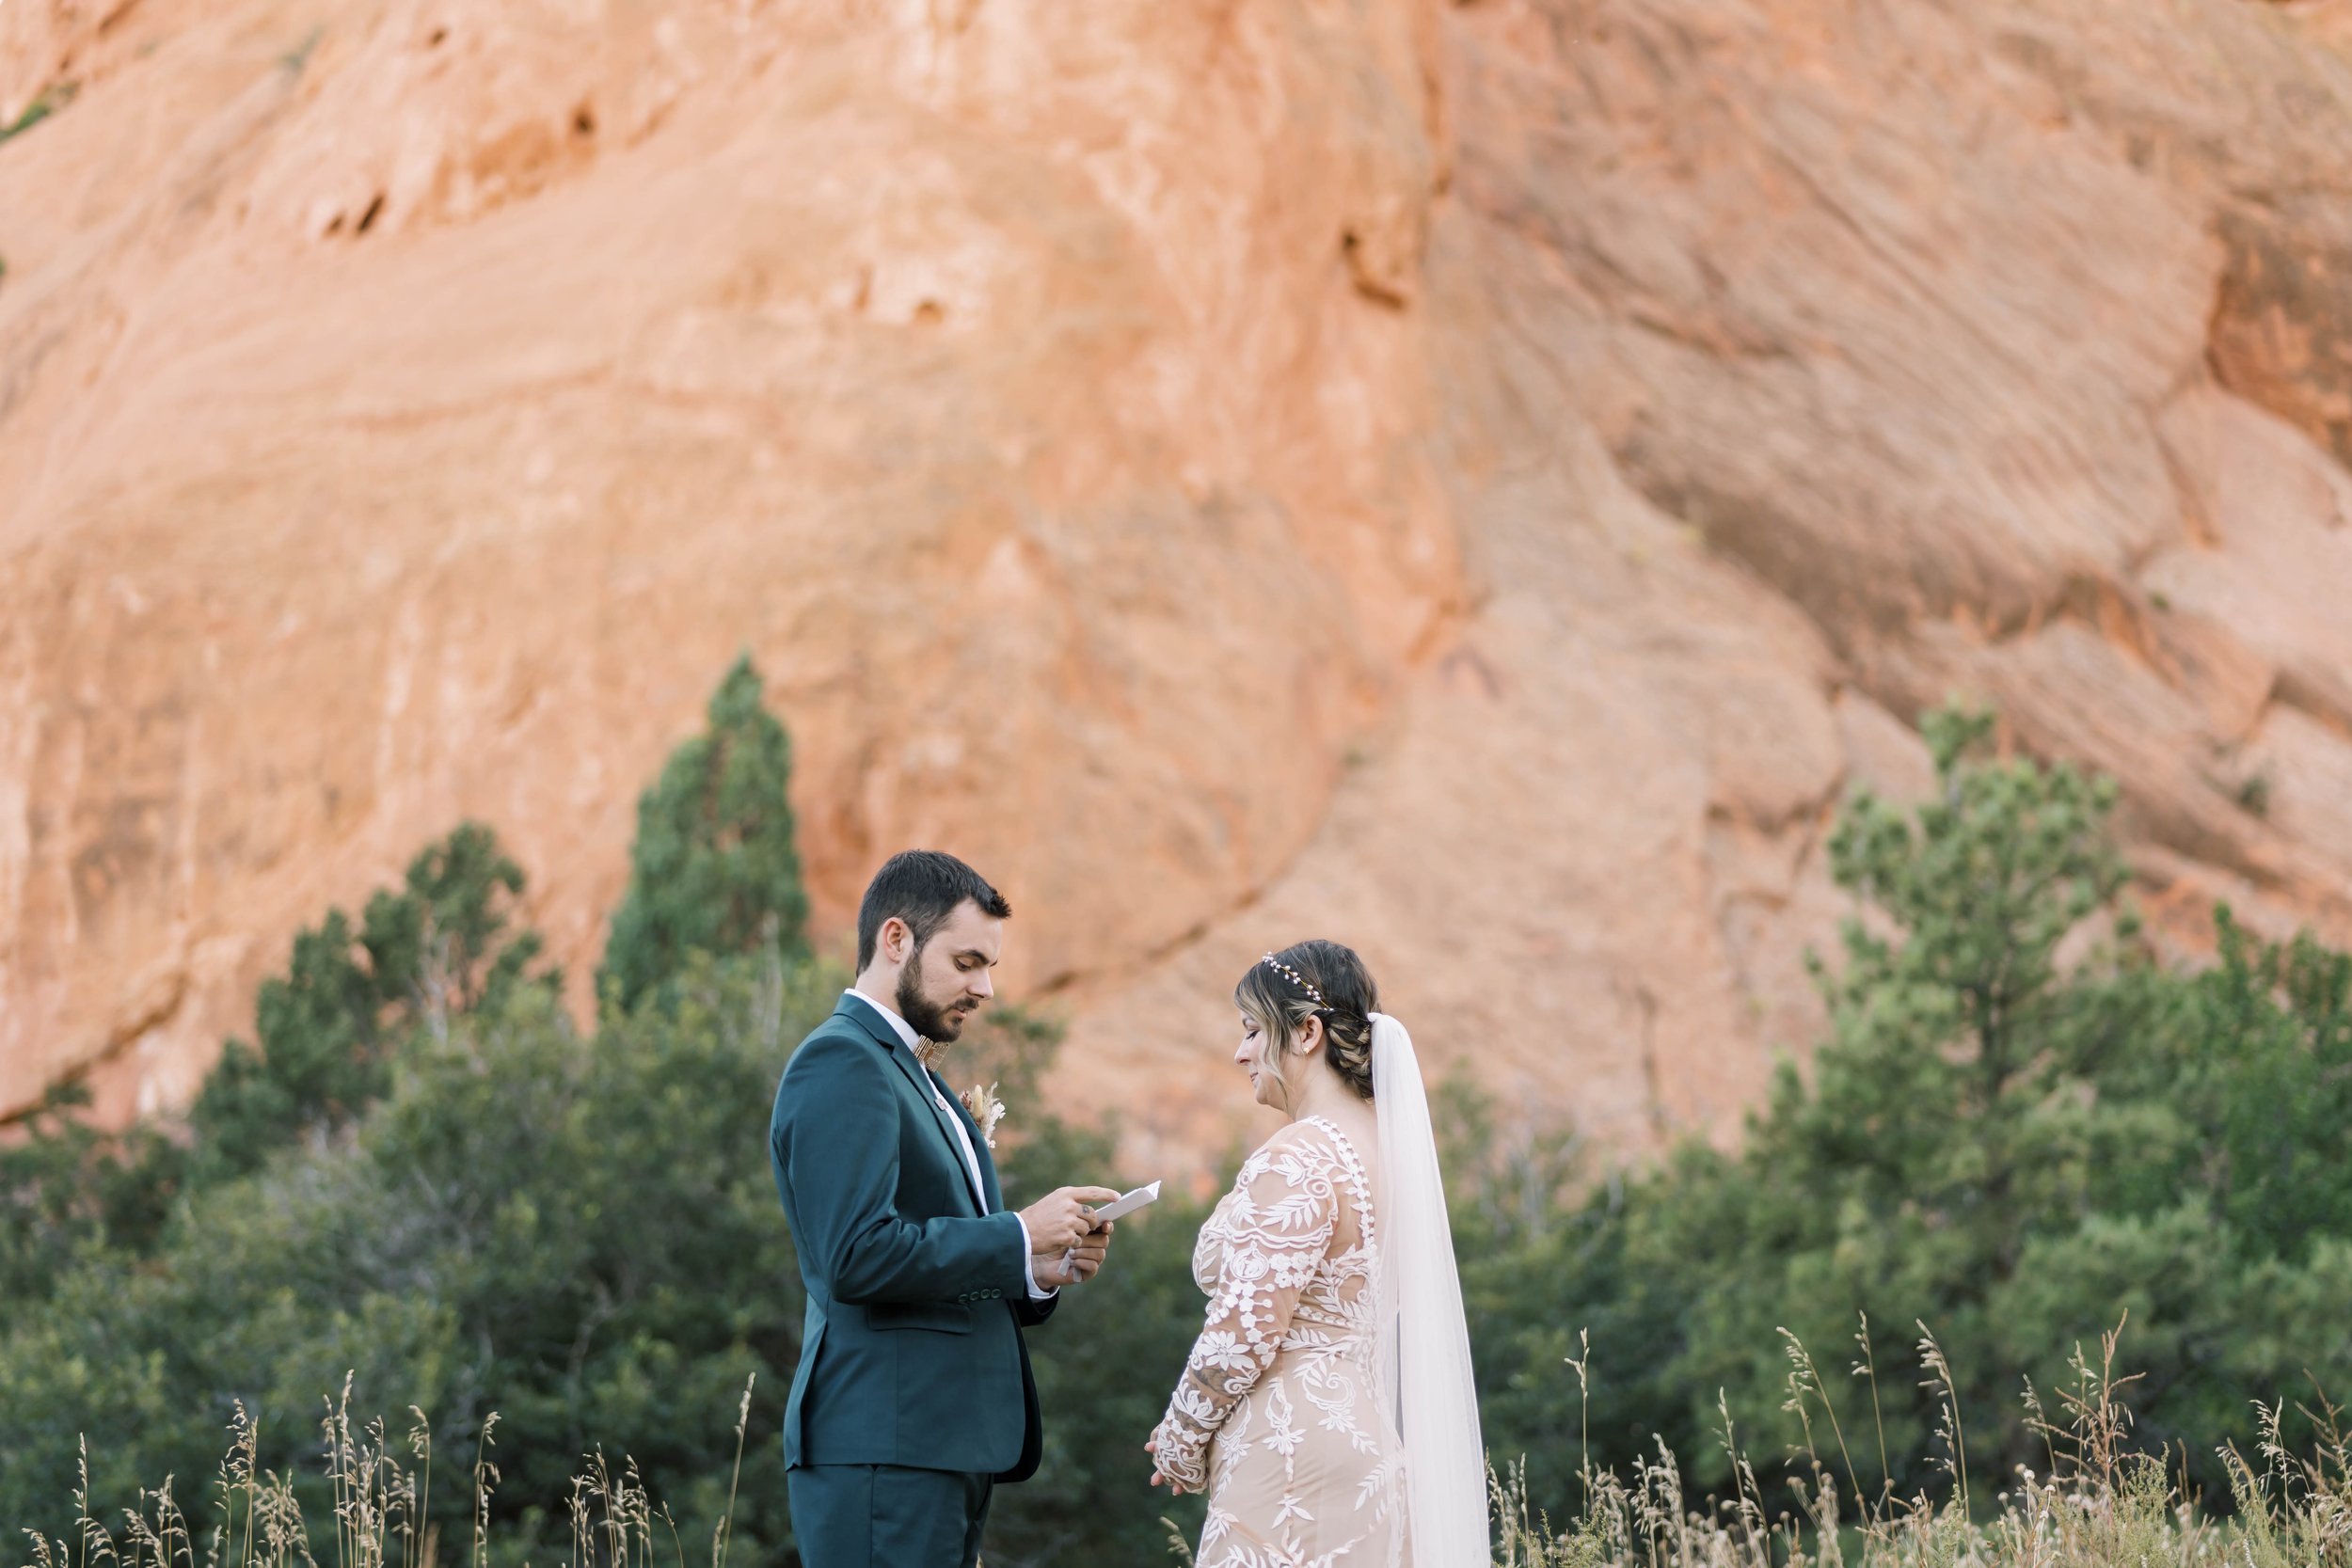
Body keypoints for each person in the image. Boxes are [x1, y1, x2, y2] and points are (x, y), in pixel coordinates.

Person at [769, 849, 1119, 1568]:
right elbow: (856, 1255)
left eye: (988, 965)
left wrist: (1036, 1267)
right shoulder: (842, 1061)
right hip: (882, 1450)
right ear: (895, 939)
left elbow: (931, 1244)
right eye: (966, 961)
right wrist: (1016, 1232)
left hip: (938, 1447)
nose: (985, 986)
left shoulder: (913, 1073)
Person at [1146, 940, 1490, 1566]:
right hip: (1365, 1443)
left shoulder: (1298, 1155)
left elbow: (1245, 1329)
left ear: (1306, 1032)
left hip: (1289, 1448)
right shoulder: (1392, 1152)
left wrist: (1180, 1435)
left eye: (1253, 1030)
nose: (1240, 1051)